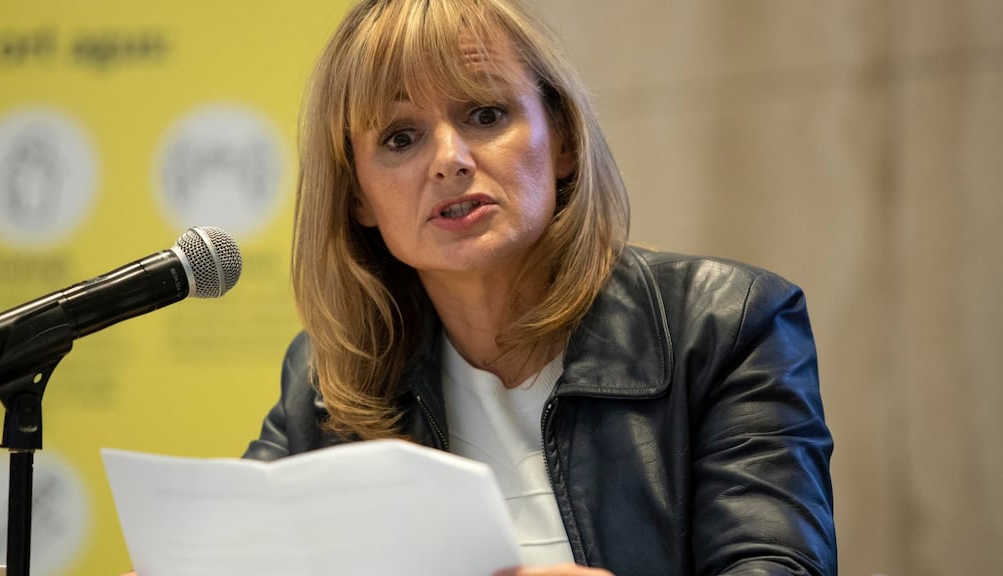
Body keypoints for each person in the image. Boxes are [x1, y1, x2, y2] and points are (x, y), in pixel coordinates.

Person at [134, 0, 837, 574]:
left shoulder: (726, 326)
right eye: (401, 138)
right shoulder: (330, 382)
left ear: (563, 142)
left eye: (485, 114)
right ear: (359, 198)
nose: (449, 160)